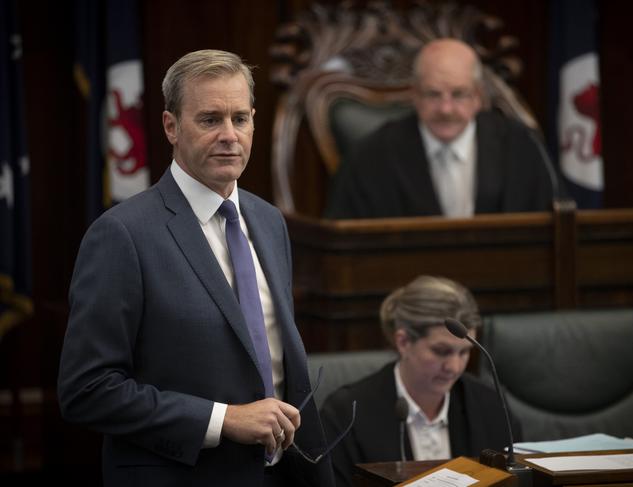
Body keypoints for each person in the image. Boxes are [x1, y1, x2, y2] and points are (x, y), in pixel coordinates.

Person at [58, 49, 334, 487]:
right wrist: (222, 419)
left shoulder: (269, 221)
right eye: (210, 120)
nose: (229, 135)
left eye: (240, 119)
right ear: (171, 126)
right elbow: (87, 391)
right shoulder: (122, 235)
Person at [319, 275, 522, 487]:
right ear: (403, 341)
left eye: (464, 353)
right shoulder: (346, 414)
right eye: (441, 351)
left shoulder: (491, 407)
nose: (454, 367)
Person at [324, 38, 559, 219]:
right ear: (414, 95)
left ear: (478, 96)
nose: (446, 109)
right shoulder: (371, 156)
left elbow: (556, 225)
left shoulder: (520, 146)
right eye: (433, 94)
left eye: (459, 94)